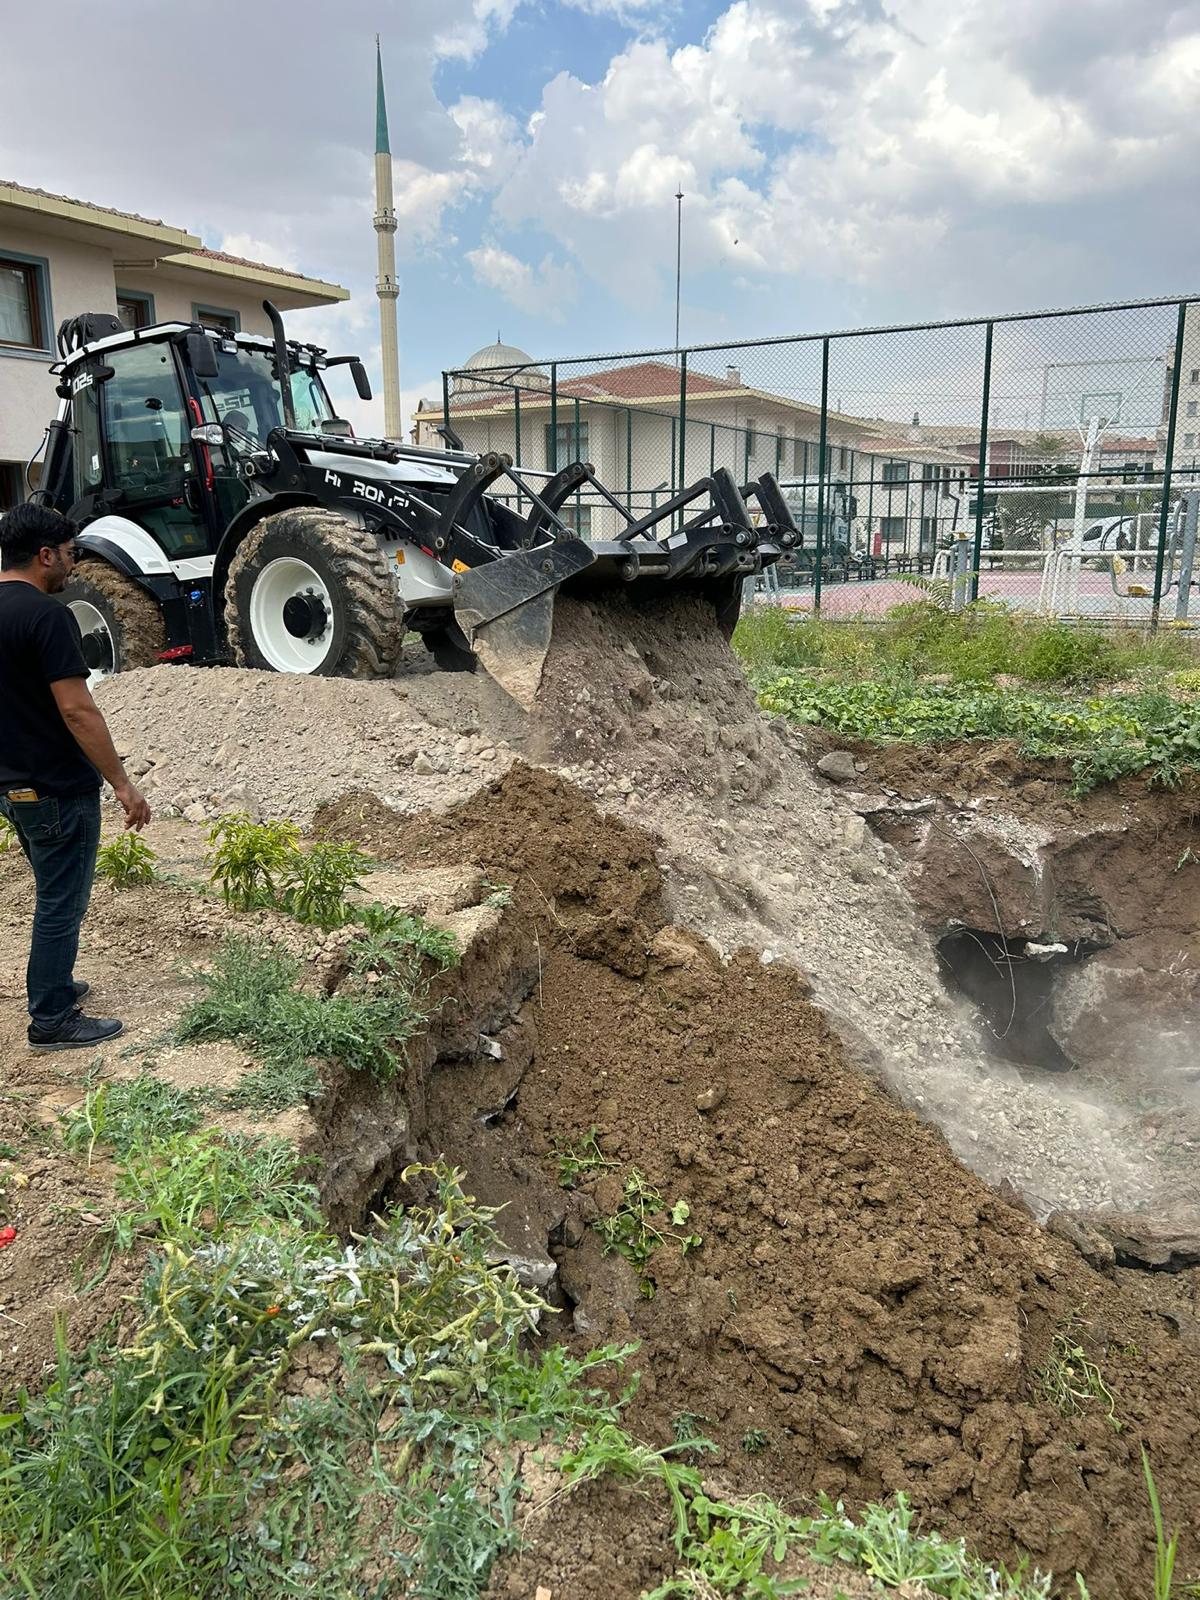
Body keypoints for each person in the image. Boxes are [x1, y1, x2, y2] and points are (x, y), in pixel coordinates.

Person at [0, 503, 151, 1051]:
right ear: (44, 555)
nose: (72, 566)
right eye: (68, 554)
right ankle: (51, 1018)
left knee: (51, 893)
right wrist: (122, 782)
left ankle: (55, 983)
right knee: (61, 903)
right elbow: (77, 710)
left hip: (13, 789)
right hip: (58, 788)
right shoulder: (48, 616)